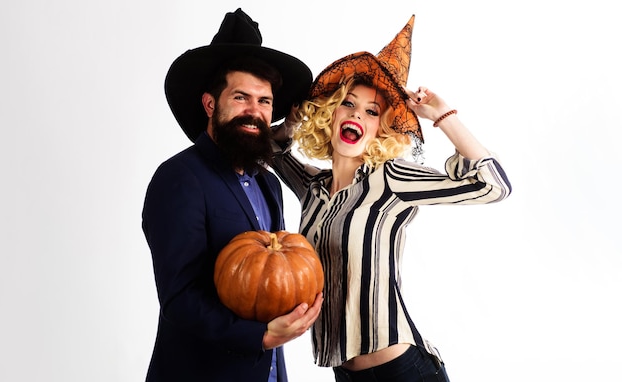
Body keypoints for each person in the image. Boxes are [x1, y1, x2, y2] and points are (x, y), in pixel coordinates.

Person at [271, 15, 512, 382]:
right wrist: (295, 116)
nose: (357, 115)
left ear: (380, 128)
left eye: (372, 111)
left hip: (403, 371)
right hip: (344, 373)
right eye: (347, 104)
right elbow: (270, 151)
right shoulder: (313, 189)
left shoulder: (392, 177)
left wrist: (441, 115)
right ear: (331, 113)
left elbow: (493, 184)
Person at [141, 9, 323, 382]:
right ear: (211, 104)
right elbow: (179, 297)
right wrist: (261, 335)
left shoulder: (268, 183)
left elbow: (273, 279)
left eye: (264, 101)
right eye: (241, 97)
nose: (254, 112)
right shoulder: (180, 178)